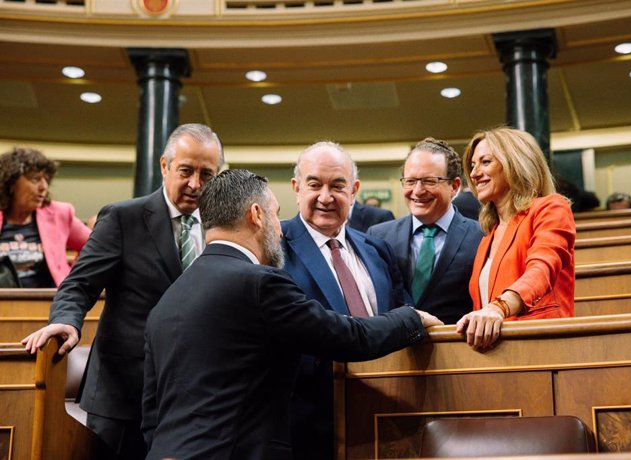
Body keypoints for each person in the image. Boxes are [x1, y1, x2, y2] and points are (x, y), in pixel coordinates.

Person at [141, 169, 441, 459]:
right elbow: (348, 337)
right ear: (256, 215)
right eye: (275, 213)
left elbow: (151, 416)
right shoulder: (260, 283)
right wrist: (412, 318)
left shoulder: (165, 303)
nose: (280, 226)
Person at [21, 123, 224, 459]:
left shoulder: (221, 227)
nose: (195, 184)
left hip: (194, 397)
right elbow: (79, 285)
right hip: (122, 396)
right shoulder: (122, 218)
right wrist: (67, 321)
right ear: (164, 165)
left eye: (207, 174)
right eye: (186, 171)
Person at [281, 141, 405, 459]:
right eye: (314, 185)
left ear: (354, 190)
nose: (326, 197)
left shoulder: (377, 250)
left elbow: (400, 317)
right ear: (296, 188)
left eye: (337, 186)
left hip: (384, 417)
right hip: (306, 429)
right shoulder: (273, 249)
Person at [456, 127, 576, 350]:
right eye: (472, 165)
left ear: (514, 163)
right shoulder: (487, 238)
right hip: (499, 357)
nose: (473, 173)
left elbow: (541, 270)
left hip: (542, 350)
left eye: (485, 162)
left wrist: (498, 307)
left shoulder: (550, 208)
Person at [368, 138, 483, 324]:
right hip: (396, 349)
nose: (418, 191)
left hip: (458, 348)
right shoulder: (379, 236)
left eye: (429, 181)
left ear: (454, 187)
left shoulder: (481, 236)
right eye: (410, 181)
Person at [0, 147, 91, 288]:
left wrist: (75, 277)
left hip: (48, 304)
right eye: (35, 179)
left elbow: (96, 246)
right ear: (11, 183)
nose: (44, 187)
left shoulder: (59, 214)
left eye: (46, 180)